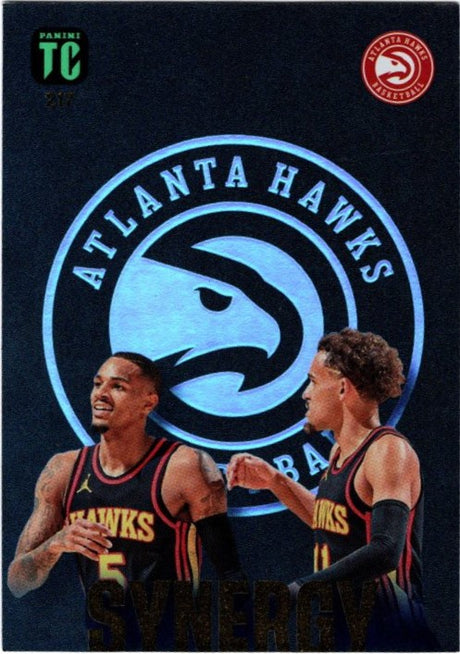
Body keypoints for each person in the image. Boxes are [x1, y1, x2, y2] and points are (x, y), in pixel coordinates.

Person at [8, 351, 244, 650]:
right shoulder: (63, 470)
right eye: (97, 384)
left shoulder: (185, 466)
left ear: (148, 403)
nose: (101, 394)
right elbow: (17, 582)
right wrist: (56, 544)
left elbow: (231, 574)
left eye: (117, 386)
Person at [227, 328, 438, 651]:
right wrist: (275, 481)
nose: (305, 394)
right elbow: (333, 522)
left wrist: (299, 590)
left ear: (342, 388)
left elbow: (386, 549)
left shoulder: (387, 451)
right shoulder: (339, 453)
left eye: (313, 381)